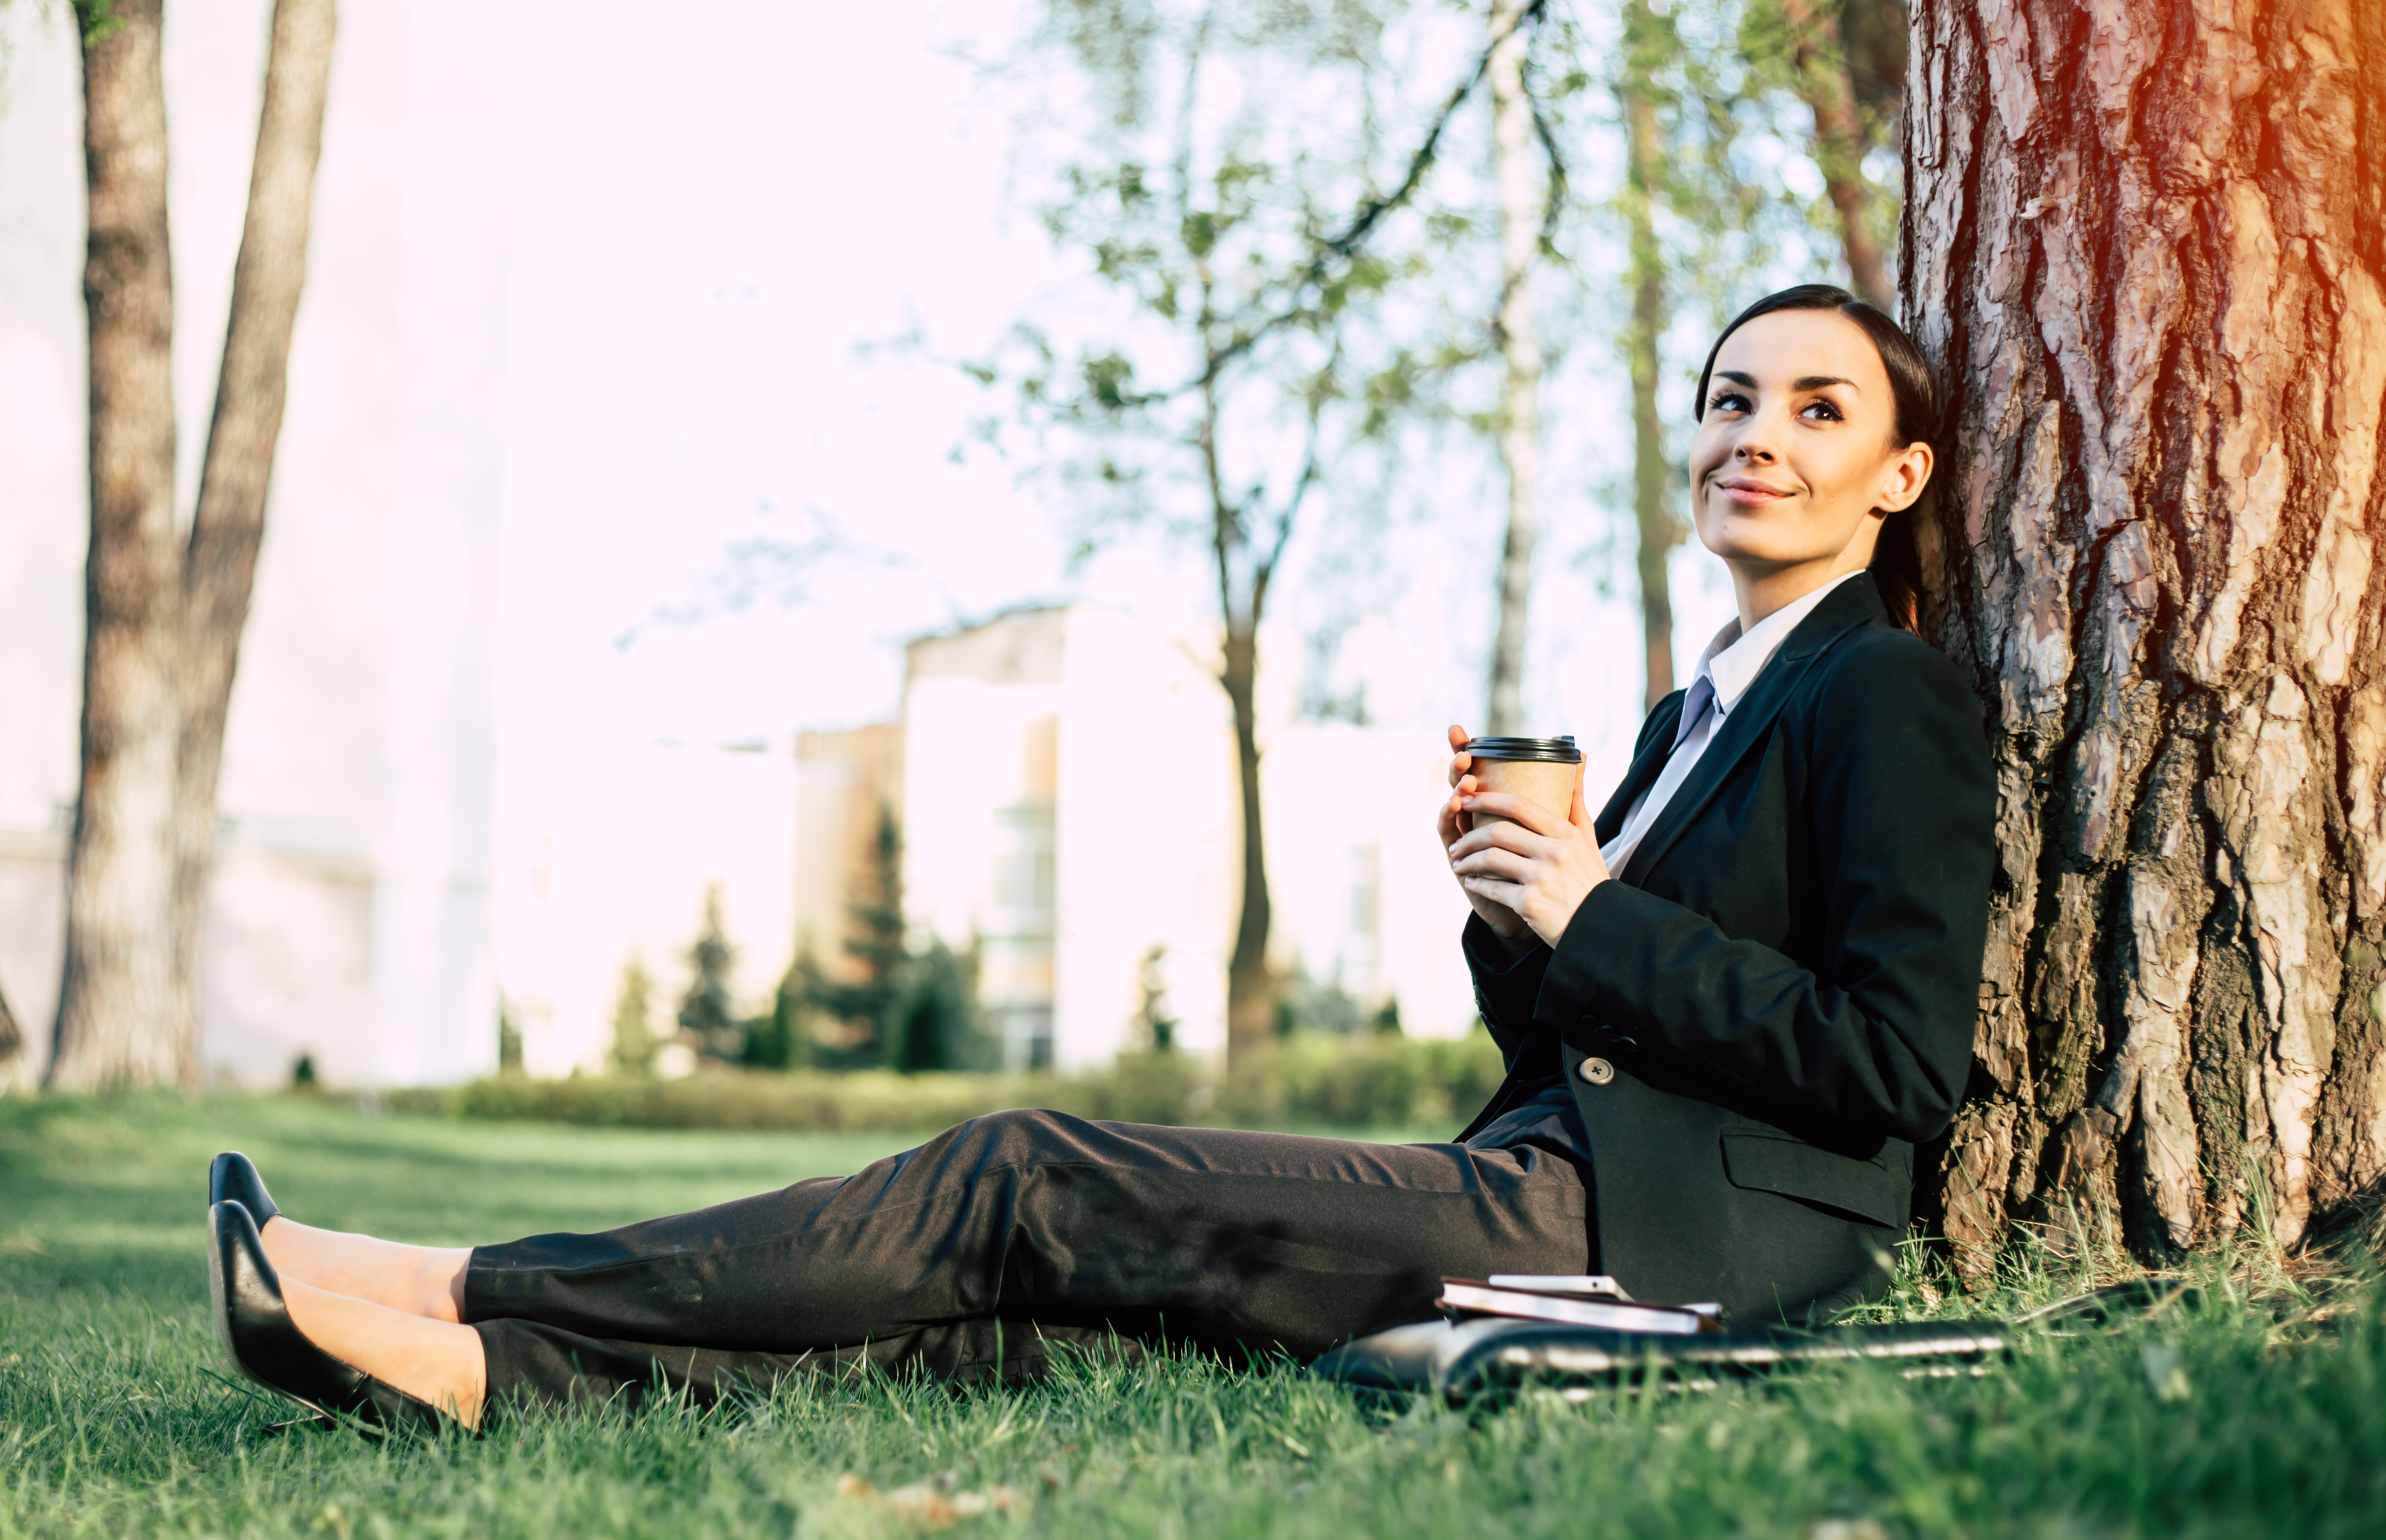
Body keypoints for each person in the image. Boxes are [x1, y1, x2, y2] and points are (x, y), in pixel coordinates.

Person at [202, 283, 1993, 1433]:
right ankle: (474, 1376)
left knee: (1025, 1174)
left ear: (1899, 477)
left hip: (1679, 1249)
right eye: (1731, 396)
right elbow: (1586, 1044)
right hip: (1556, 1182)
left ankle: (451, 1280)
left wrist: (1593, 907)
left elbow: (1892, 1063)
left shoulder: (1883, 691)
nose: (1757, 433)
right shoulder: (1691, 714)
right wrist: (1517, 918)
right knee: (1024, 1312)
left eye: (1819, 410)